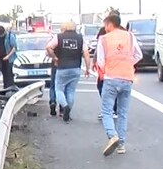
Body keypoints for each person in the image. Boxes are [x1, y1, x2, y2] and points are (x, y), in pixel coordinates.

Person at [95, 13, 143, 156]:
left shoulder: (103, 39)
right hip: (127, 78)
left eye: (105, 25)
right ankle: (121, 144)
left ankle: (112, 135)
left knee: (106, 111)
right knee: (122, 112)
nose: (105, 28)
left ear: (110, 24)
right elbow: (138, 55)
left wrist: (106, 70)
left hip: (111, 78)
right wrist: (127, 64)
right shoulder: (130, 36)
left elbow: (100, 61)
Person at [45, 20, 89, 122]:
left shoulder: (59, 37)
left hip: (62, 68)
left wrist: (55, 58)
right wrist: (87, 68)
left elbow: (48, 47)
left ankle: (65, 106)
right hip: (76, 68)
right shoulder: (80, 38)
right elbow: (86, 54)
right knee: (70, 91)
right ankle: (68, 110)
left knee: (59, 89)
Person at [94, 24, 118, 120]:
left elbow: (98, 54)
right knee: (112, 90)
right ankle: (114, 110)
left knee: (103, 88)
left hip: (105, 70)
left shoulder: (103, 38)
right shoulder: (116, 38)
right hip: (115, 69)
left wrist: (101, 67)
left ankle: (109, 110)